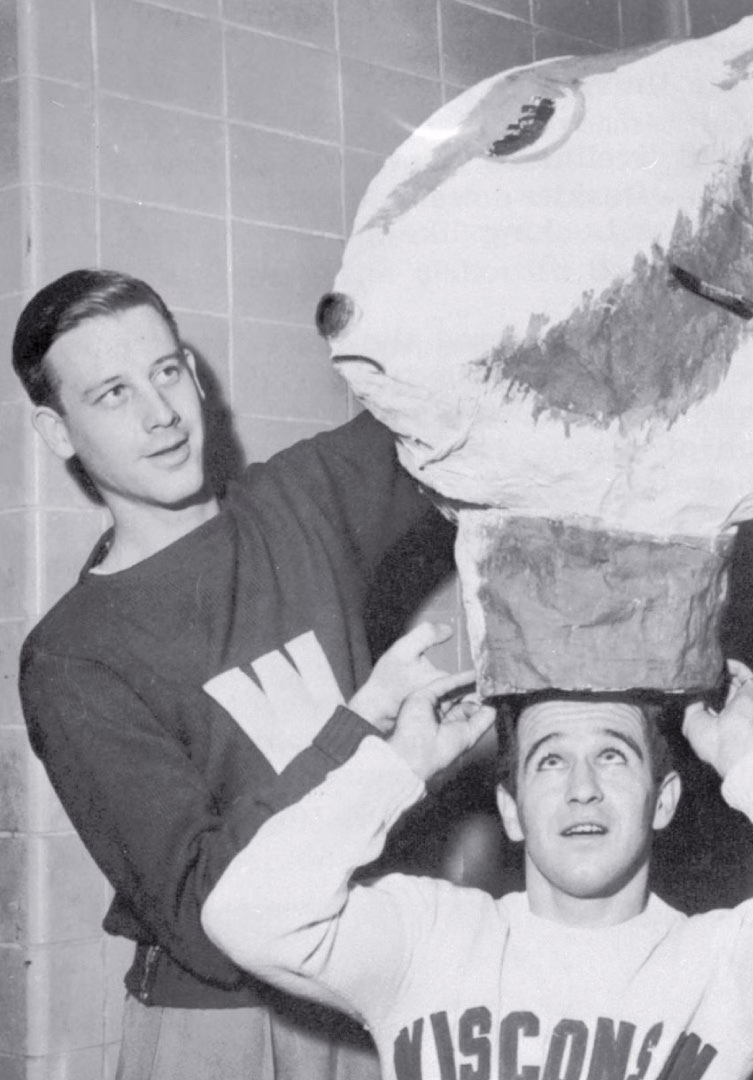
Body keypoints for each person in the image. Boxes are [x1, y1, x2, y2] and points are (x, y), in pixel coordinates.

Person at [14, 268, 455, 1079]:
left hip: (371, 990)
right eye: (112, 394)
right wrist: (367, 743)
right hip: (223, 1024)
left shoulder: (299, 500)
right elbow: (203, 914)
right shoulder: (73, 657)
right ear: (58, 432)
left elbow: (455, 398)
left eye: (167, 371)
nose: (161, 415)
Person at [200, 654, 753, 1080]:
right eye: (551, 761)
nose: (582, 786)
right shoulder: (430, 936)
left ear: (663, 800)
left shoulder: (719, 965)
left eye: (613, 754)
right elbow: (245, 914)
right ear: (511, 809)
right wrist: (399, 764)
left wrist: (745, 755)